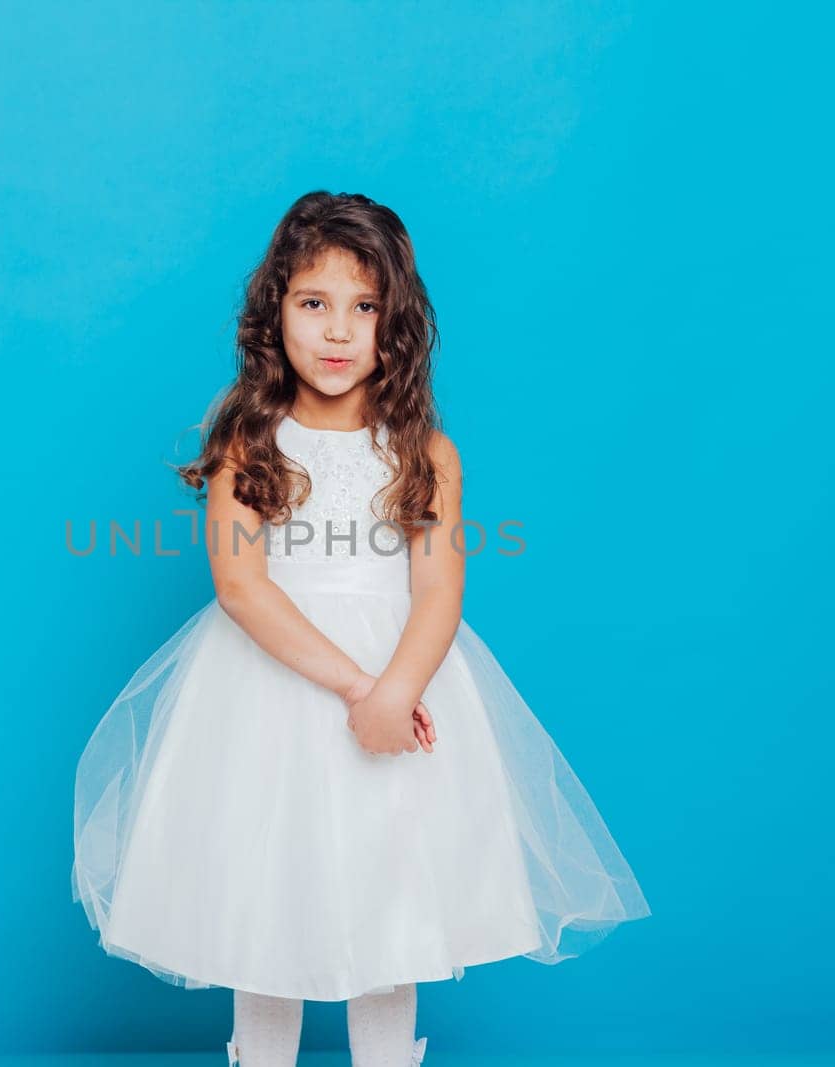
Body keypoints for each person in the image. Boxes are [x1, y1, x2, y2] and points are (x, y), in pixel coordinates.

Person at [71, 191, 650, 1066]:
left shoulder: (425, 452)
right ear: (276, 313)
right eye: (314, 303)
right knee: (262, 909)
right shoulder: (249, 440)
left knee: (393, 904)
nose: (338, 330)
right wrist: (357, 688)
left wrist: (398, 691)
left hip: (401, 687)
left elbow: (437, 595)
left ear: (396, 323)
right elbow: (241, 585)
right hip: (272, 689)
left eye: (364, 306)